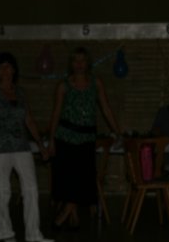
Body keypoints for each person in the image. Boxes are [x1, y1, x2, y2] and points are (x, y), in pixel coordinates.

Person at [0, 52, 53, 242]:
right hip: (0, 148)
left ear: (13, 70)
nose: (5, 70)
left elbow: (29, 119)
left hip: (21, 146)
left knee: (31, 188)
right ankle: (4, 231)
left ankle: (33, 232)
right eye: (1, 67)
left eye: (8, 66)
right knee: (3, 191)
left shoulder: (20, 93)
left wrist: (41, 145)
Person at [48, 47, 122, 229]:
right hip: (65, 136)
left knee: (83, 177)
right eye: (76, 60)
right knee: (67, 178)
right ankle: (71, 214)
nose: (79, 64)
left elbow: (105, 108)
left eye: (82, 60)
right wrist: (51, 139)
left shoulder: (96, 83)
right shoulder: (63, 86)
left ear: (88, 62)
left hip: (87, 138)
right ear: (71, 64)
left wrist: (117, 130)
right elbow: (56, 113)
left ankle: (65, 213)